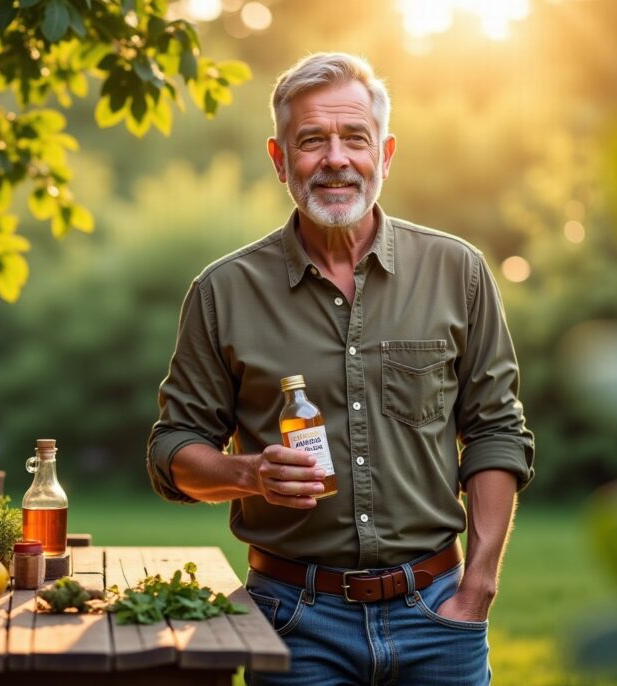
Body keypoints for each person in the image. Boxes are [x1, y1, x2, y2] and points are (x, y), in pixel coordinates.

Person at [147, 52, 534, 686]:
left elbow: (496, 431)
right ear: (278, 159)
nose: (335, 158)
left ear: (384, 155)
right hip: (293, 621)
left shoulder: (456, 272)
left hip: (440, 615)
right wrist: (248, 473)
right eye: (311, 141)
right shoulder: (224, 291)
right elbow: (172, 448)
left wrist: (480, 587)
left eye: (355, 138)